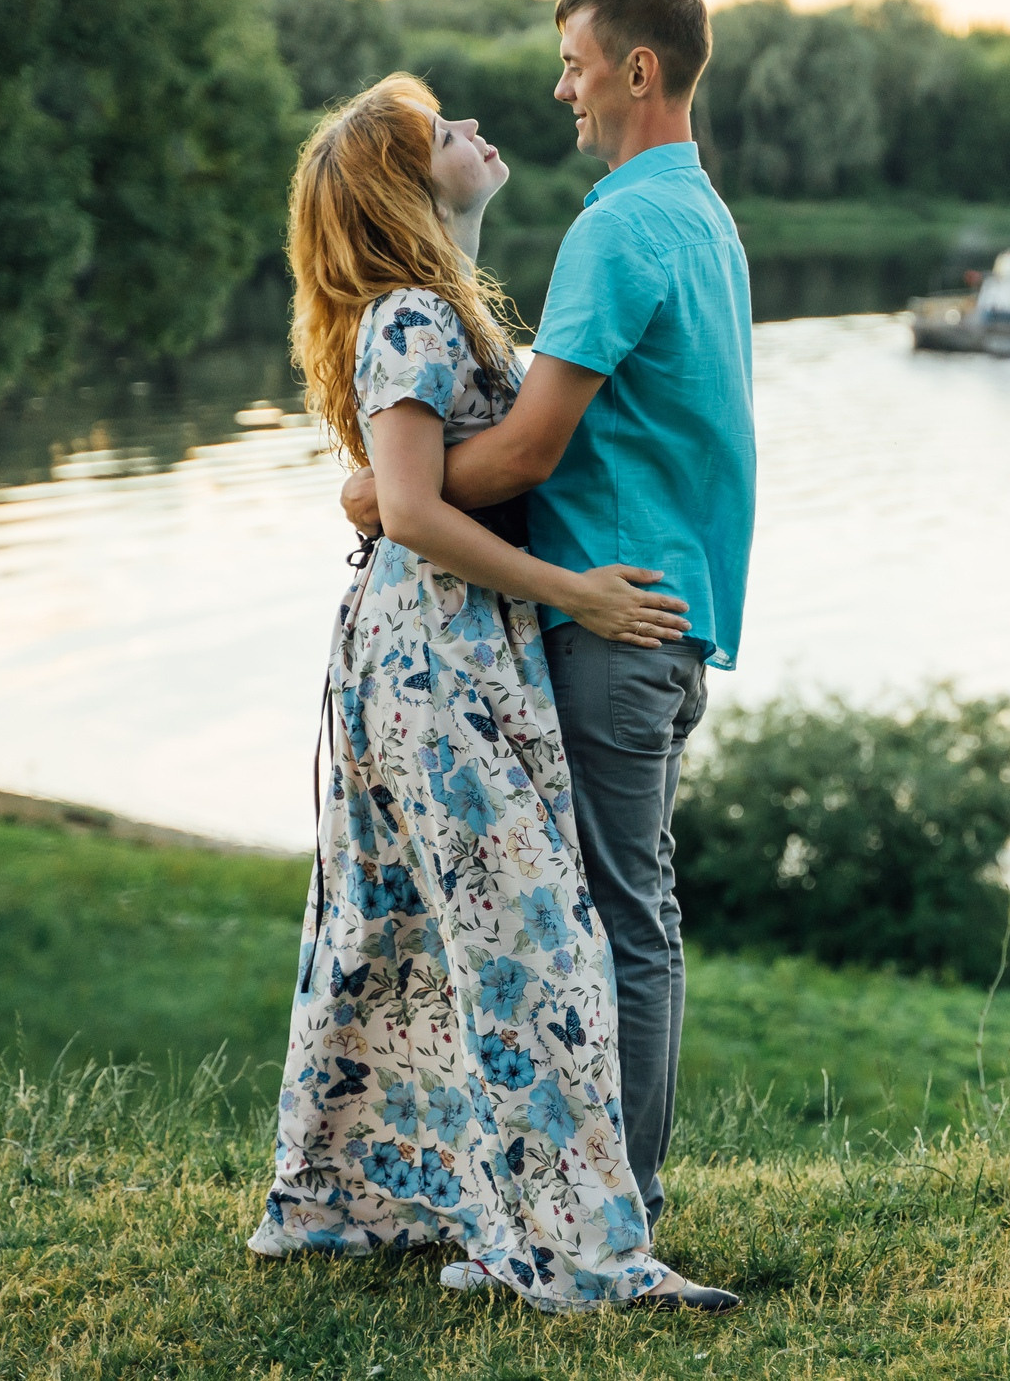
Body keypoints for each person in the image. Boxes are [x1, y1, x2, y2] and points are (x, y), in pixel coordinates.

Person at [250, 71, 736, 1313]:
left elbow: (405, 489)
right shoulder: (410, 315)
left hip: (461, 650)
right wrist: (573, 593)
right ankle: (574, 1249)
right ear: (409, 184)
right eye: (444, 133)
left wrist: (383, 492)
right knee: (528, 946)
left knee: (424, 934)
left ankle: (427, 1204)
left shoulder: (443, 310)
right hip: (433, 657)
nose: (477, 130)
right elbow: (411, 508)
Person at [341, 0, 755, 1246]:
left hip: (612, 620)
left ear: (637, 71)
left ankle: (606, 1218)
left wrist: (383, 493)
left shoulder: (616, 228)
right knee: (616, 915)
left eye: (574, 63)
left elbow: (524, 453)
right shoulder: (698, 214)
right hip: (658, 612)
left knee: (615, 923)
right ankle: (569, 1204)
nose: (558, 88)